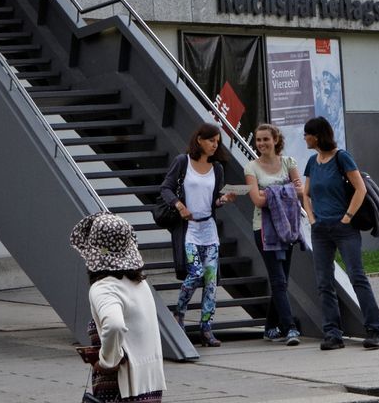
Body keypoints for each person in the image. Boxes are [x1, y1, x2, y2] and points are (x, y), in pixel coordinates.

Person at [300, 116, 379, 351]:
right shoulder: (312, 162)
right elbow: (306, 193)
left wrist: (348, 216)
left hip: (344, 229)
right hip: (320, 230)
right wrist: (311, 217)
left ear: (317, 136)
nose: (304, 137)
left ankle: (374, 331)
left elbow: (360, 188)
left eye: (307, 133)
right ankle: (332, 333)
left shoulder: (342, 157)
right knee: (323, 282)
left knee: (357, 277)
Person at [70, 211, 166, 403]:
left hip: (120, 388)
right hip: (150, 385)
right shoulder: (140, 284)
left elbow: (114, 325)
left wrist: (107, 362)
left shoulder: (104, 287)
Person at [156, 122, 235, 347]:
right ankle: (179, 313)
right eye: (211, 140)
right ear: (199, 139)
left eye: (217, 142)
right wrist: (180, 206)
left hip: (208, 228)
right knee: (195, 273)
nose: (214, 145)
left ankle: (206, 328)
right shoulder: (183, 162)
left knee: (210, 281)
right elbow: (166, 188)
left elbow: (213, 202)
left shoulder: (217, 168)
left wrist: (224, 200)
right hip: (189, 230)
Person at [243, 122, 304, 345]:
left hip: (287, 228)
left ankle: (270, 327)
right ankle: (290, 328)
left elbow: (300, 191)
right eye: (258, 140)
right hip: (263, 229)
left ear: (276, 140)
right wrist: (282, 191)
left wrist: (270, 192)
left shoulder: (289, 163)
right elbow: (257, 200)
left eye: (266, 139)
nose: (261, 144)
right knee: (278, 280)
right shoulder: (251, 168)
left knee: (283, 281)